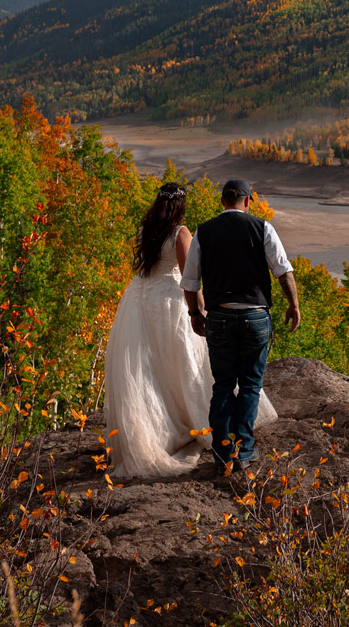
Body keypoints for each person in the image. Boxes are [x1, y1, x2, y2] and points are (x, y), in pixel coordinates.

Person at [102, 182, 278, 478]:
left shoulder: (146, 232)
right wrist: (202, 311)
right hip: (170, 301)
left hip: (140, 299)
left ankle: (162, 426)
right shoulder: (180, 233)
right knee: (185, 362)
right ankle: (194, 423)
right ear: (180, 206)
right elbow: (188, 277)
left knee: (151, 368)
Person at [182, 178, 301, 474]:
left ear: (222, 201)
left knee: (222, 385)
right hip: (255, 317)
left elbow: (189, 280)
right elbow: (283, 272)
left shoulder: (204, 232)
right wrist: (293, 305)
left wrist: (195, 313)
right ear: (248, 201)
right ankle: (244, 451)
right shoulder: (263, 228)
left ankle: (223, 453)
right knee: (250, 383)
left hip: (219, 317)